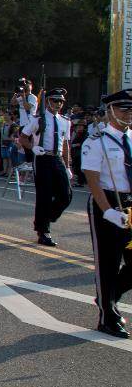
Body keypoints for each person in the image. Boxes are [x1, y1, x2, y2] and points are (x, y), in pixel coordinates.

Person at [80, 89, 132, 338]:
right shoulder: (96, 140)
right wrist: (108, 211)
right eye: (123, 109)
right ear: (110, 111)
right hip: (108, 202)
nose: (129, 114)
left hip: (131, 204)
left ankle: (111, 295)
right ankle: (107, 316)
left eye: (131, 110)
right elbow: (93, 179)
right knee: (108, 263)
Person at [19, 86, 73, 246]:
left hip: (57, 159)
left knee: (66, 195)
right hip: (42, 158)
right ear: (48, 101)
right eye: (55, 100)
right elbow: (22, 138)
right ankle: (44, 231)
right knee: (45, 195)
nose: (58, 104)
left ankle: (45, 218)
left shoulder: (65, 121)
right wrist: (33, 147)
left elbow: (65, 145)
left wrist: (68, 166)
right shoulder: (37, 120)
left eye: (61, 101)